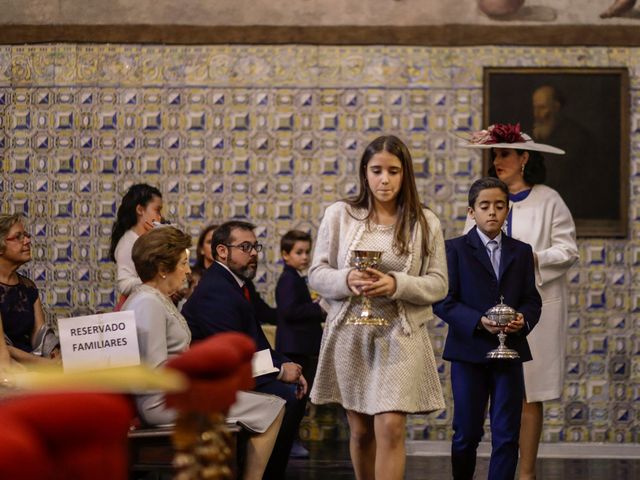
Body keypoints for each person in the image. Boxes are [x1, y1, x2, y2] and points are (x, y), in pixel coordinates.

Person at [308, 135, 448, 480]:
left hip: (399, 336)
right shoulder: (340, 214)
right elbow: (316, 273)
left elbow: (439, 284)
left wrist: (397, 284)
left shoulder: (425, 221)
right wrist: (347, 280)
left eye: (393, 171)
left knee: (391, 427)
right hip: (350, 333)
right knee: (361, 431)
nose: (384, 179)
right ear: (365, 173)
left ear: (405, 175)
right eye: (376, 171)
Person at [122, 226, 285, 480]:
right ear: (163, 269)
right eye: (183, 263)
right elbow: (154, 372)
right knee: (273, 407)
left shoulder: (156, 298)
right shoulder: (148, 303)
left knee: (269, 405)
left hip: (175, 395)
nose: (188, 270)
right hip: (162, 402)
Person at [464, 123, 579, 480]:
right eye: (494, 154)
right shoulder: (483, 198)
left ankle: (525, 473)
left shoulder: (548, 200)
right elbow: (467, 249)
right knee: (486, 393)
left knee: (529, 392)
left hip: (533, 309)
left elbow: (568, 250)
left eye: (505, 154)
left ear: (524, 158)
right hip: (488, 313)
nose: (497, 160)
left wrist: (530, 258)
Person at [433, 177, 542, 480]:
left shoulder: (521, 252)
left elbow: (532, 300)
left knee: (507, 434)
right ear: (472, 212)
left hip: (511, 355)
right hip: (469, 354)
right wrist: (478, 321)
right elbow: (443, 301)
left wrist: (523, 319)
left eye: (499, 205)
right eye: (484, 206)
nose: (492, 212)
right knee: (466, 433)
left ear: (507, 210)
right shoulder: (453, 250)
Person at [182, 220, 307, 479]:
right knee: (287, 394)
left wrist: (288, 364)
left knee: (292, 388)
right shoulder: (216, 290)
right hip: (214, 381)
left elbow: (256, 342)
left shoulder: (235, 284)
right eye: (245, 247)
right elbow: (231, 354)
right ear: (222, 251)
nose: (254, 253)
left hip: (238, 370)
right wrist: (281, 371)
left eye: (255, 246)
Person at [275, 229, 327, 458]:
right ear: (285, 255)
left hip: (300, 346)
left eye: (307, 252)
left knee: (300, 396)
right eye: (299, 252)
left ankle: (291, 440)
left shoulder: (295, 277)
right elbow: (288, 311)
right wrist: (320, 308)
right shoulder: (288, 279)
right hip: (294, 347)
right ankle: (290, 440)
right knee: (296, 397)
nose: (305, 257)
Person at [0, 213, 59, 368]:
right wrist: (44, 365)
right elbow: (2, 349)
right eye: (18, 237)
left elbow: (40, 333)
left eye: (26, 235)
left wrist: (55, 354)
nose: (27, 241)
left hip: (31, 361)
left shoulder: (28, 286)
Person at [109, 183, 163, 306]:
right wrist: (157, 281)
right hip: (136, 308)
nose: (160, 217)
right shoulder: (128, 242)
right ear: (140, 210)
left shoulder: (147, 240)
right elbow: (124, 285)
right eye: (157, 210)